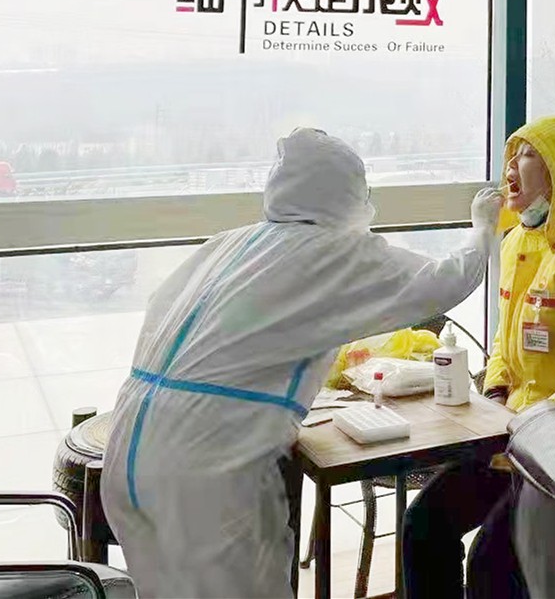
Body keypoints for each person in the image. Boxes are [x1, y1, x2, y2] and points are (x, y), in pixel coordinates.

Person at [102, 129, 498, 599]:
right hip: (205, 468)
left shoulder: (228, 245)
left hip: (130, 455)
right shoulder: (331, 251)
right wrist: (482, 228)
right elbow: (445, 280)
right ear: (347, 194)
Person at [403, 115, 555, 599]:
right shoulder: (518, 240)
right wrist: (497, 389)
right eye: (512, 155)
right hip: (511, 436)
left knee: (492, 562)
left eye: (529, 155)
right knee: (425, 522)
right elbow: (505, 335)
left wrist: (538, 423)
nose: (512, 168)